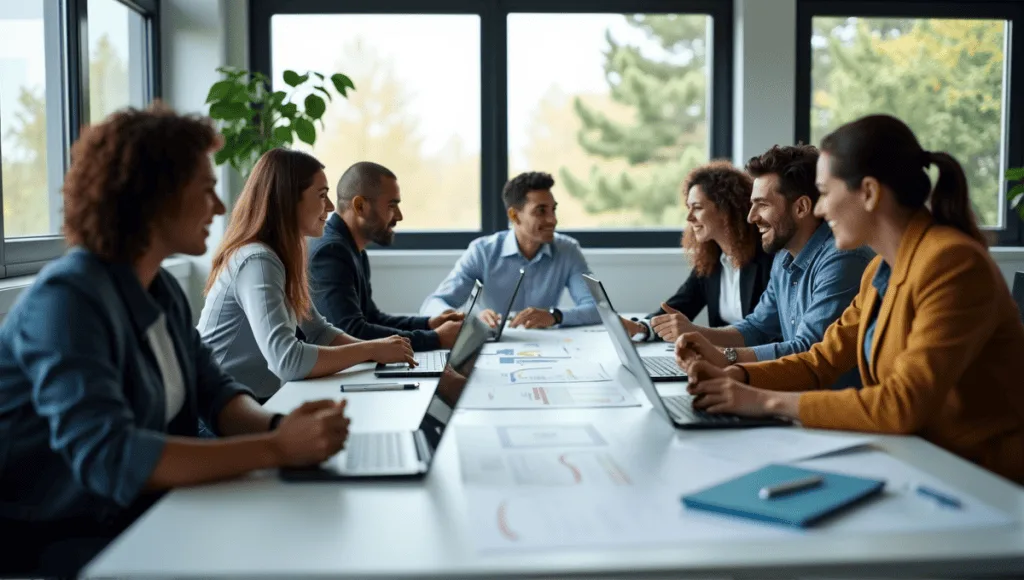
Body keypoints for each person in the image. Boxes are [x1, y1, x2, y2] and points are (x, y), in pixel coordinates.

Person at [0, 105, 354, 577]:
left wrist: (280, 428)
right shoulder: (68, 300)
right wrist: (277, 449)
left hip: (137, 513)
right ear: (156, 195)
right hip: (58, 540)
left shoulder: (158, 288)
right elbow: (113, 458)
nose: (221, 207)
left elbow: (218, 396)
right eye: (206, 189)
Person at [682, 115, 1024, 485]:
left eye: (826, 193)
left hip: (982, 482)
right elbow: (821, 361)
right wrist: (738, 376)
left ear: (870, 193)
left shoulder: (952, 264)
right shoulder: (879, 269)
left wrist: (761, 400)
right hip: (915, 462)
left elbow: (900, 404)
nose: (818, 209)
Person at [199, 150, 415, 402]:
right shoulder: (257, 260)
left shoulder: (281, 256)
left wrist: (377, 352)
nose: (332, 207)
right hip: (216, 415)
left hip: (252, 402)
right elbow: (287, 361)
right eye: (322, 195)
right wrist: (369, 349)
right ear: (289, 200)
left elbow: (319, 332)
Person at [669, 145, 873, 390]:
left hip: (833, 407)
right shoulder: (783, 257)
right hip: (795, 394)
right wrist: (697, 335)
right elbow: (756, 327)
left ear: (801, 208)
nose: (751, 216)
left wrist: (727, 357)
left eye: (762, 204)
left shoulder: (842, 258)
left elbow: (807, 349)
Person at [308, 162, 463, 351]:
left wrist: (429, 324)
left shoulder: (353, 249)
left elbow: (371, 318)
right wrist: (435, 339)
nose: (399, 216)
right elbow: (351, 333)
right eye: (392, 205)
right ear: (360, 206)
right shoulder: (331, 252)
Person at [420, 171, 599, 329]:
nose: (553, 219)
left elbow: (598, 308)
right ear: (514, 215)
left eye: (553, 209)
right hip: (494, 346)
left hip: (548, 345)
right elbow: (433, 304)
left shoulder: (568, 250)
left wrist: (554, 316)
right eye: (541, 211)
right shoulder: (482, 251)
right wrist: (469, 318)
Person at [621, 161, 774, 341]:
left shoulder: (769, 258)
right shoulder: (713, 261)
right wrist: (640, 327)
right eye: (689, 208)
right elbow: (680, 306)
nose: (689, 217)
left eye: (698, 207)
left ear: (726, 210)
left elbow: (766, 331)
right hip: (722, 359)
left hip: (754, 361)